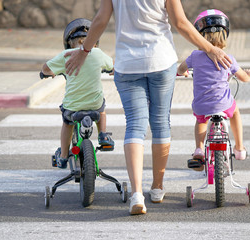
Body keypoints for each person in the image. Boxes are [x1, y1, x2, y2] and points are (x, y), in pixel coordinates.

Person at [64, 0, 232, 215]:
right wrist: (209, 49)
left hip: (127, 64)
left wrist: (84, 50)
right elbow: (180, 23)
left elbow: (100, 20)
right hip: (161, 60)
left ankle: (136, 195)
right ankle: (157, 187)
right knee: (161, 123)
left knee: (135, 125)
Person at [177, 9, 250, 171]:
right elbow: (243, 78)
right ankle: (239, 148)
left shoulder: (194, 56)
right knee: (236, 111)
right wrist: (248, 74)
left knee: (201, 120)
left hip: (201, 106)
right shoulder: (228, 59)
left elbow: (181, 68)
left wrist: (182, 72)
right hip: (223, 105)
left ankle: (199, 148)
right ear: (225, 34)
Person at [41, 18, 114, 169]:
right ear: (94, 42)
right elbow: (113, 67)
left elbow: (46, 68)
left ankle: (63, 156)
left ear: (70, 43)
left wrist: (48, 73)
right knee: (102, 108)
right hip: (94, 104)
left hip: (72, 107)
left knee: (67, 123)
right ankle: (103, 135)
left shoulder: (66, 55)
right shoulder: (98, 53)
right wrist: (112, 71)